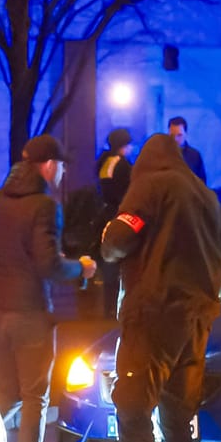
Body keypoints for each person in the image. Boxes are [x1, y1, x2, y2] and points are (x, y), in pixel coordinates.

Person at [90, 133, 221, 442]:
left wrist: (108, 234)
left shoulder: (151, 185)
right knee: (177, 415)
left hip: (153, 315)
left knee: (132, 408)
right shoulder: (205, 196)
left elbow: (117, 242)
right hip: (197, 316)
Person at [0, 134, 96, 442]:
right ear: (48, 165)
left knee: (2, 396)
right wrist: (82, 267)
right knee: (35, 397)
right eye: (60, 165)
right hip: (29, 312)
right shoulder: (44, 206)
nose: (61, 172)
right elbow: (48, 264)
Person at [93, 128, 135, 319]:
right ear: (123, 146)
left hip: (105, 216)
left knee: (108, 264)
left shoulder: (104, 162)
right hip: (119, 216)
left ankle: (107, 308)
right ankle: (118, 310)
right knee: (119, 265)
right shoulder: (123, 165)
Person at [168, 116, 207, 185]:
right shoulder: (161, 155)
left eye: (179, 135)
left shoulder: (195, 156)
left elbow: (202, 184)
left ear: (186, 134)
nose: (175, 139)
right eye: (172, 135)